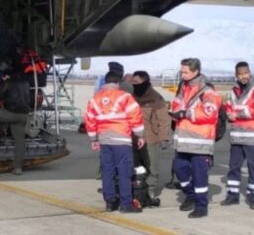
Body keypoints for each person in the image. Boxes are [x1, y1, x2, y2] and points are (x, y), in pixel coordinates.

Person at [85, 71, 145, 213]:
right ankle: (126, 204)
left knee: (108, 171)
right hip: (121, 140)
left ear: (105, 82)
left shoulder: (95, 98)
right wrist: (140, 135)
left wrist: (94, 139)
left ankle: (110, 203)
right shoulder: (125, 96)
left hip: (104, 140)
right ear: (118, 82)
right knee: (124, 172)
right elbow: (135, 116)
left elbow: (90, 119)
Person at [169, 58, 221, 219]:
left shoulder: (208, 91)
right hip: (183, 141)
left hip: (200, 143)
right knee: (179, 169)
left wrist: (186, 113)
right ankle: (191, 195)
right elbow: (177, 104)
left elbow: (210, 113)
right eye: (181, 72)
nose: (182, 75)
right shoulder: (183, 88)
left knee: (200, 176)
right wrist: (174, 112)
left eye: (185, 72)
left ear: (195, 72)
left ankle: (201, 206)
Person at [221, 61, 254, 210]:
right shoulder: (233, 91)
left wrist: (236, 114)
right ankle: (232, 195)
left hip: (253, 138)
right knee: (234, 167)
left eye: (245, 73)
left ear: (250, 73)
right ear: (236, 75)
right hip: (237, 137)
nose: (243, 76)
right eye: (240, 74)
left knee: (253, 168)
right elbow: (229, 109)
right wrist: (230, 115)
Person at [131, 70, 172, 198]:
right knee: (137, 167)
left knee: (152, 167)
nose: (134, 84)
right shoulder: (131, 97)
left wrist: (164, 138)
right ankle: (138, 190)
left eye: (136, 82)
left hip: (151, 138)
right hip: (133, 138)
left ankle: (151, 191)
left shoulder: (155, 98)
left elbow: (164, 119)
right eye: (133, 82)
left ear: (145, 81)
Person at [0, 72, 31, 175]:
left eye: (4, 77)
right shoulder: (26, 83)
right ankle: (18, 168)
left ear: (7, 76)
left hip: (11, 114)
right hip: (23, 115)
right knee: (20, 142)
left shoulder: (8, 82)